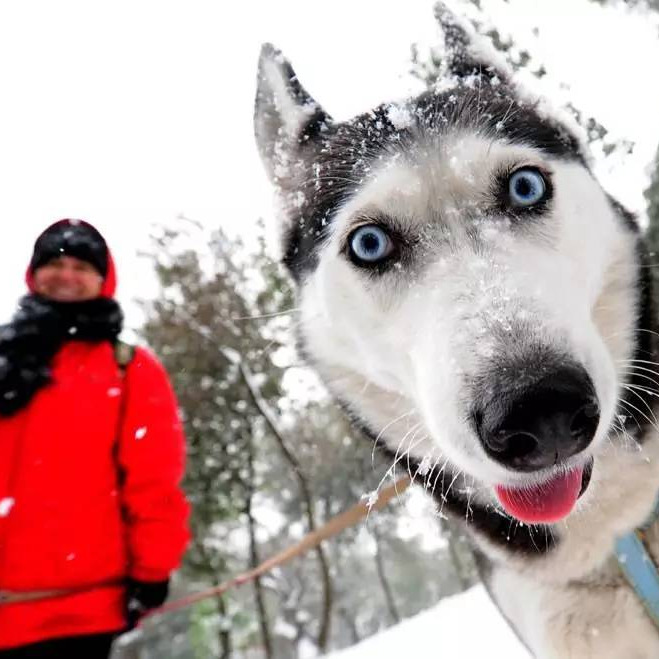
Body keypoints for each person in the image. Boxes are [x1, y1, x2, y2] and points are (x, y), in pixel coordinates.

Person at [0, 220, 190, 658]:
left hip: (78, 615)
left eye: (81, 265)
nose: (66, 274)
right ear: (34, 273)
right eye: (55, 263)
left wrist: (152, 571)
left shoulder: (130, 370)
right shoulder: (7, 359)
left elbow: (154, 484)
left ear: (104, 280)